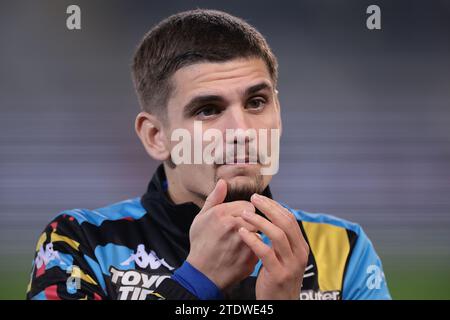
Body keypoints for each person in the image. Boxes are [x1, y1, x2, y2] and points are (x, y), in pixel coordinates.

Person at [26, 9, 391, 300]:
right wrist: (195, 283)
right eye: (208, 110)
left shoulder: (344, 250)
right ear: (156, 136)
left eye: (257, 102)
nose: (243, 132)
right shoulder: (80, 241)